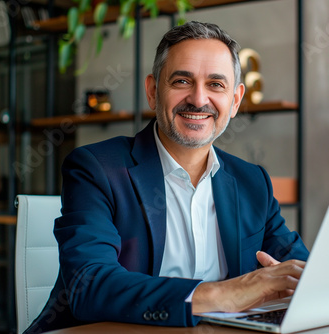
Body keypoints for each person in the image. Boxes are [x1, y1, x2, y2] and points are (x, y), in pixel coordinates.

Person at [24, 21, 309, 333]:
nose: (199, 99)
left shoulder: (252, 181)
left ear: (236, 100)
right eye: (182, 81)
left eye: (216, 85)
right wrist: (226, 293)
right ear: (152, 90)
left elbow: (303, 273)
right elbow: (90, 286)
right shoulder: (96, 168)